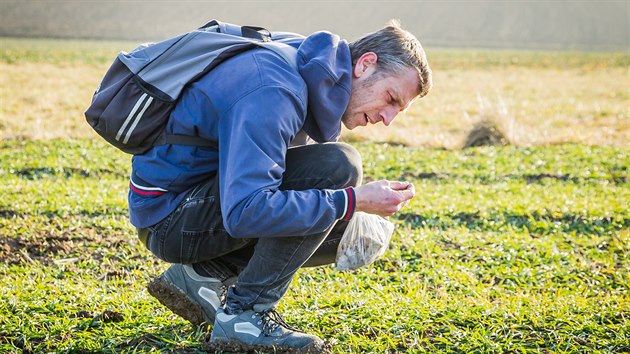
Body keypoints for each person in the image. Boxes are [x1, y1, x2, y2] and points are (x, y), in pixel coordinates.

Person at [131, 20, 432, 353]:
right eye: (390, 99)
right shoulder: (275, 89)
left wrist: (351, 209)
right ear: (365, 64)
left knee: (343, 225)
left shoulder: (313, 68)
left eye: (398, 111)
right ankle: (244, 316)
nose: (387, 120)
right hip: (170, 216)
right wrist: (351, 200)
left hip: (196, 200)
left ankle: (203, 276)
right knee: (340, 169)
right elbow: (246, 211)